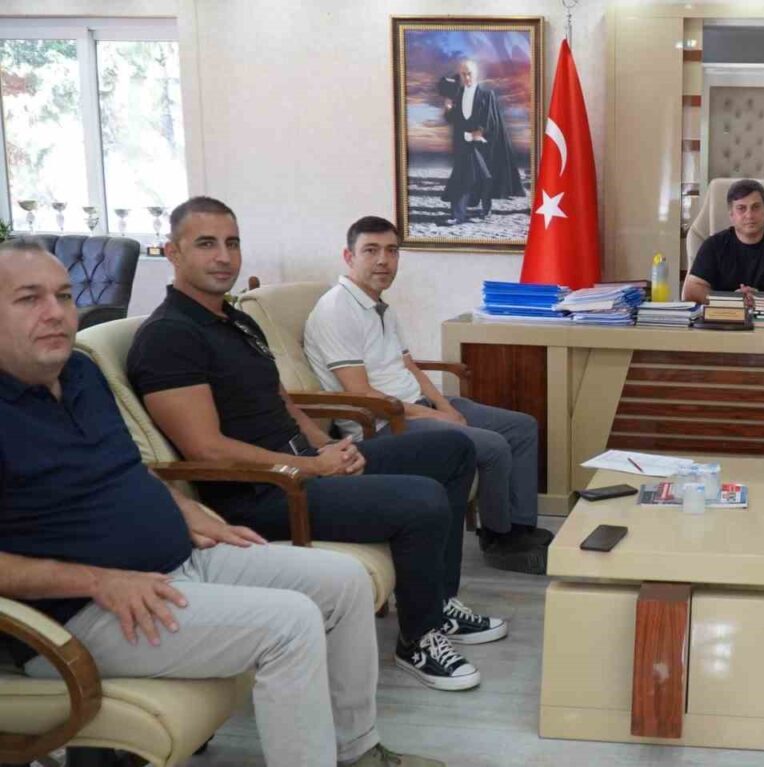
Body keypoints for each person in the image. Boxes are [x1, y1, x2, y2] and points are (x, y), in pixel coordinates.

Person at [0, 238, 442, 766]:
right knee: (291, 624)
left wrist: (183, 508)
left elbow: (125, 467)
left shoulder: (80, 373)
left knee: (345, 583)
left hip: (177, 559)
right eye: (29, 299)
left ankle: (357, 750)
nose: (55, 313)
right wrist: (98, 581)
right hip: (81, 612)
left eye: (64, 295)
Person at [126, 196, 502, 693]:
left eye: (232, 243)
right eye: (206, 244)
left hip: (303, 464)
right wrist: (309, 467)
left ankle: (437, 604)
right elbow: (206, 450)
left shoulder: (235, 320)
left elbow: (281, 400)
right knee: (423, 499)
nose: (223, 257)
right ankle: (418, 640)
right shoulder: (169, 337)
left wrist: (327, 446)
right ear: (173, 252)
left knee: (453, 450)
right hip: (261, 491)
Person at [304, 215, 551, 574]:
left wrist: (444, 404)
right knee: (493, 445)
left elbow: (409, 364)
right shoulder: (336, 309)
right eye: (371, 250)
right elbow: (361, 393)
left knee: (522, 427)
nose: (383, 260)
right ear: (349, 256)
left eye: (391, 251)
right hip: (383, 424)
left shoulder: (379, 306)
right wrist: (438, 417)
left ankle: (520, 527)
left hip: (416, 409)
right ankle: (499, 540)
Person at [682, 179, 764, 306]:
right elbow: (691, 291)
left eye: (756, 207)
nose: (749, 215)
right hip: (723, 316)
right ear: (731, 214)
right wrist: (732, 300)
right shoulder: (713, 246)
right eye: (741, 208)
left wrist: (760, 299)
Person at [437, 59, 523, 226]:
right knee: (461, 178)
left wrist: (479, 132)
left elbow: (491, 119)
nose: (467, 77)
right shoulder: (457, 95)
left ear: (476, 74)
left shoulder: (486, 95)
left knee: (485, 178)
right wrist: (447, 108)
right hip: (463, 146)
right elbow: (453, 119)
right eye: (463, 74)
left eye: (469, 74)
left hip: (482, 146)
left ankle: (485, 207)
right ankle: (457, 215)